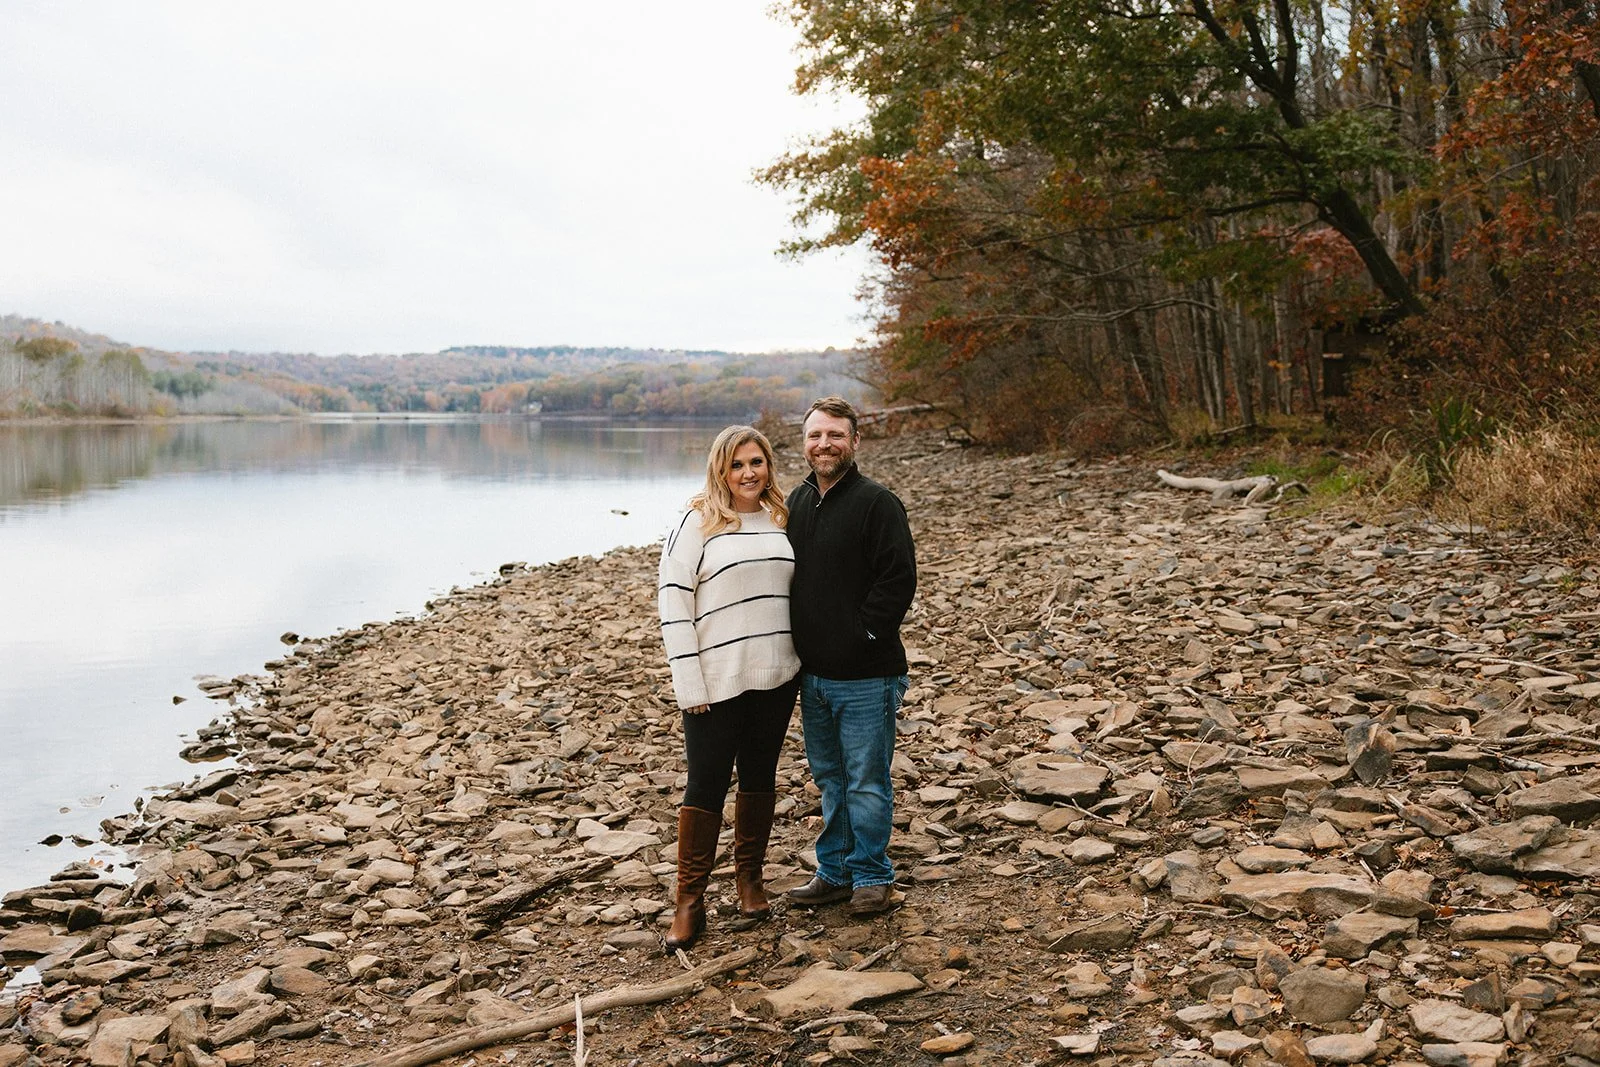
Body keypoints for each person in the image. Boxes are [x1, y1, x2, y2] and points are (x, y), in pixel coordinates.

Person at [657, 425, 801, 949]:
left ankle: (749, 881)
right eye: (737, 464)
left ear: (769, 466)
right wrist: (687, 678)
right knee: (706, 783)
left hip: (779, 673)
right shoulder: (697, 522)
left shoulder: (782, 519)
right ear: (721, 469)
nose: (748, 473)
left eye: (757, 463)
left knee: (760, 775)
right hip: (715, 679)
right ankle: (689, 901)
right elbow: (673, 602)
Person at [784, 397, 917, 917]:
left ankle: (871, 874)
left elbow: (897, 580)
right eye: (816, 435)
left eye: (835, 435)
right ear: (804, 442)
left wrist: (862, 635)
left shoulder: (876, 503)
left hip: (865, 674)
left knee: (865, 779)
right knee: (830, 778)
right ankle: (834, 872)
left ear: (854, 442)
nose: (824, 444)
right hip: (812, 675)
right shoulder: (794, 501)